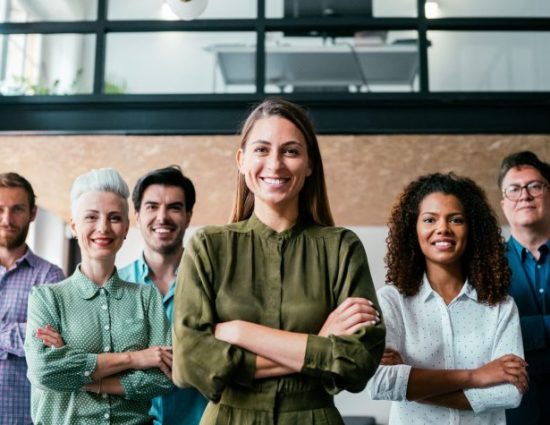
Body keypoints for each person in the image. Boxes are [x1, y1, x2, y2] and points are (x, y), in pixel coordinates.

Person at [172, 98, 385, 425]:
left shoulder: (342, 247)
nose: (275, 164)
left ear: (310, 164)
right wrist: (320, 346)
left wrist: (240, 332)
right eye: (261, 150)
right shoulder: (207, 247)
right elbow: (189, 364)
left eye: (291, 151)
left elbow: (358, 362)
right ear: (241, 161)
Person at [367, 172, 526, 425]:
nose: (442, 228)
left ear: (471, 229)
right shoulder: (392, 301)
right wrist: (476, 376)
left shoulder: (500, 306)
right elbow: (381, 383)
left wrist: (411, 382)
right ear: (414, 229)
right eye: (430, 219)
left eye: (456, 220)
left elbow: (509, 392)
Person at [24, 168, 174, 425]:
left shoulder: (146, 297)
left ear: (126, 228)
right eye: (91, 217)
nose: (103, 228)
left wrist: (81, 373)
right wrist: (135, 359)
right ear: (74, 225)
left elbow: (162, 377)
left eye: (114, 217)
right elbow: (45, 371)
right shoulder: (47, 298)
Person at [119, 166, 207, 425]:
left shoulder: (211, 284)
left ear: (189, 216)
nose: (162, 217)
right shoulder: (114, 285)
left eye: (174, 207)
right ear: (136, 216)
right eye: (152, 206)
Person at [0, 172, 65, 425]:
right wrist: (21, 334)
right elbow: (32, 335)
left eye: (17, 209)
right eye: (1, 209)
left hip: (24, 418)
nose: (7, 219)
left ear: (32, 213)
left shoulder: (50, 276)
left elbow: (48, 340)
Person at [498, 151, 550, 425]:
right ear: (504, 203)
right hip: (514, 413)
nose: (525, 196)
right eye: (514, 189)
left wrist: (520, 328)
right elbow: (485, 335)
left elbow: (503, 329)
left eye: (534, 186)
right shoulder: (485, 267)